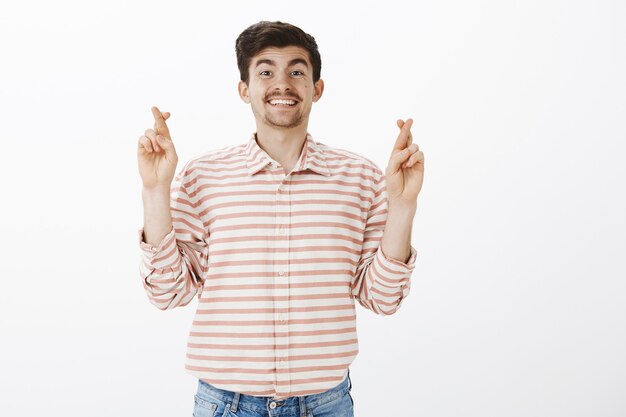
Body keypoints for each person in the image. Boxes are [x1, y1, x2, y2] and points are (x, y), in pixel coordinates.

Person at [137, 20, 424, 417]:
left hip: (326, 404)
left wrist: (403, 205)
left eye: (296, 71)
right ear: (245, 89)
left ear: (316, 89)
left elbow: (382, 297)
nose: (282, 84)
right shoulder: (202, 177)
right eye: (266, 71)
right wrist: (155, 191)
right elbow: (168, 292)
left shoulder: (362, 178)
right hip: (226, 405)